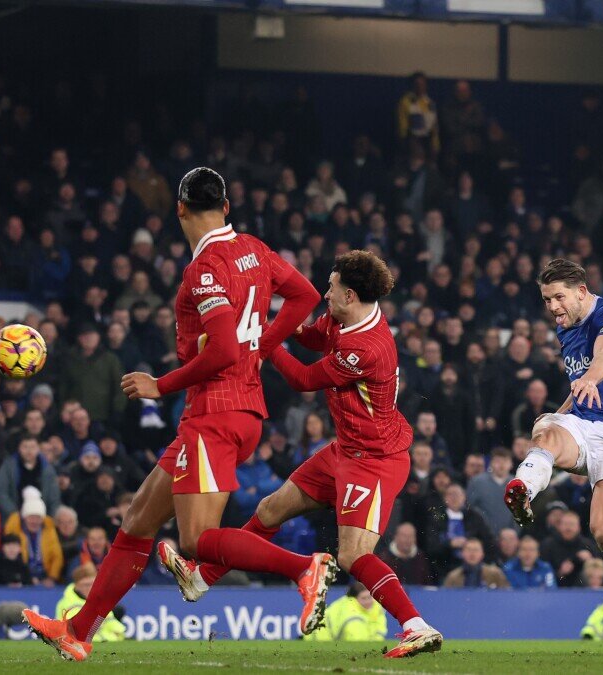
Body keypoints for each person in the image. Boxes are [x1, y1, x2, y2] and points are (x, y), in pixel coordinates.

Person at [23, 167, 324, 662]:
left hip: (216, 412)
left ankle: (302, 569)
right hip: (236, 410)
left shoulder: (204, 270)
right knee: (138, 521)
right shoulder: (254, 247)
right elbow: (306, 296)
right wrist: (266, 344)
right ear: (225, 207)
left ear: (179, 208)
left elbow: (224, 348)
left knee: (197, 540)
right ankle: (76, 630)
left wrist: (159, 384)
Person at [164, 250, 443, 658]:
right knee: (271, 509)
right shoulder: (346, 314)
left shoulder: (368, 346)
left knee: (352, 555)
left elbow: (303, 378)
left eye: (329, 289)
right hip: (344, 449)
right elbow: (311, 336)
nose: (323, 295)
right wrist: (269, 318)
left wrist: (259, 340)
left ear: (349, 294)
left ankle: (416, 625)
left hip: (374, 460)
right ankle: (202, 578)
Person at [504, 258, 603, 653]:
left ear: (581, 291)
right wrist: (560, 413)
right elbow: (578, 390)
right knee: (544, 427)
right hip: (582, 422)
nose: (553, 307)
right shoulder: (565, 329)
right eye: (546, 300)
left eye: (558, 297)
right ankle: (524, 487)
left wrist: (590, 378)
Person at [56, 564, 125, 643]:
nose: (90, 588)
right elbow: (78, 636)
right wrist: (109, 638)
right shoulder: (69, 604)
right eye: (86, 585)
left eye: (93, 584)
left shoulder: (98, 601)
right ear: (76, 586)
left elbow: (116, 629)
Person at [305, 582, 387, 642]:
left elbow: (379, 631)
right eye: (363, 598)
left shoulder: (377, 608)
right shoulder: (351, 613)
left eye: (369, 597)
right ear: (355, 599)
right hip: (318, 636)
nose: (368, 601)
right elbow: (359, 643)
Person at [442, 538, 508, 588]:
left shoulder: (495, 574)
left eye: (476, 550)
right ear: (462, 553)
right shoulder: (453, 577)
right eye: (469, 550)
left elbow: (506, 595)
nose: (472, 554)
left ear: (482, 554)